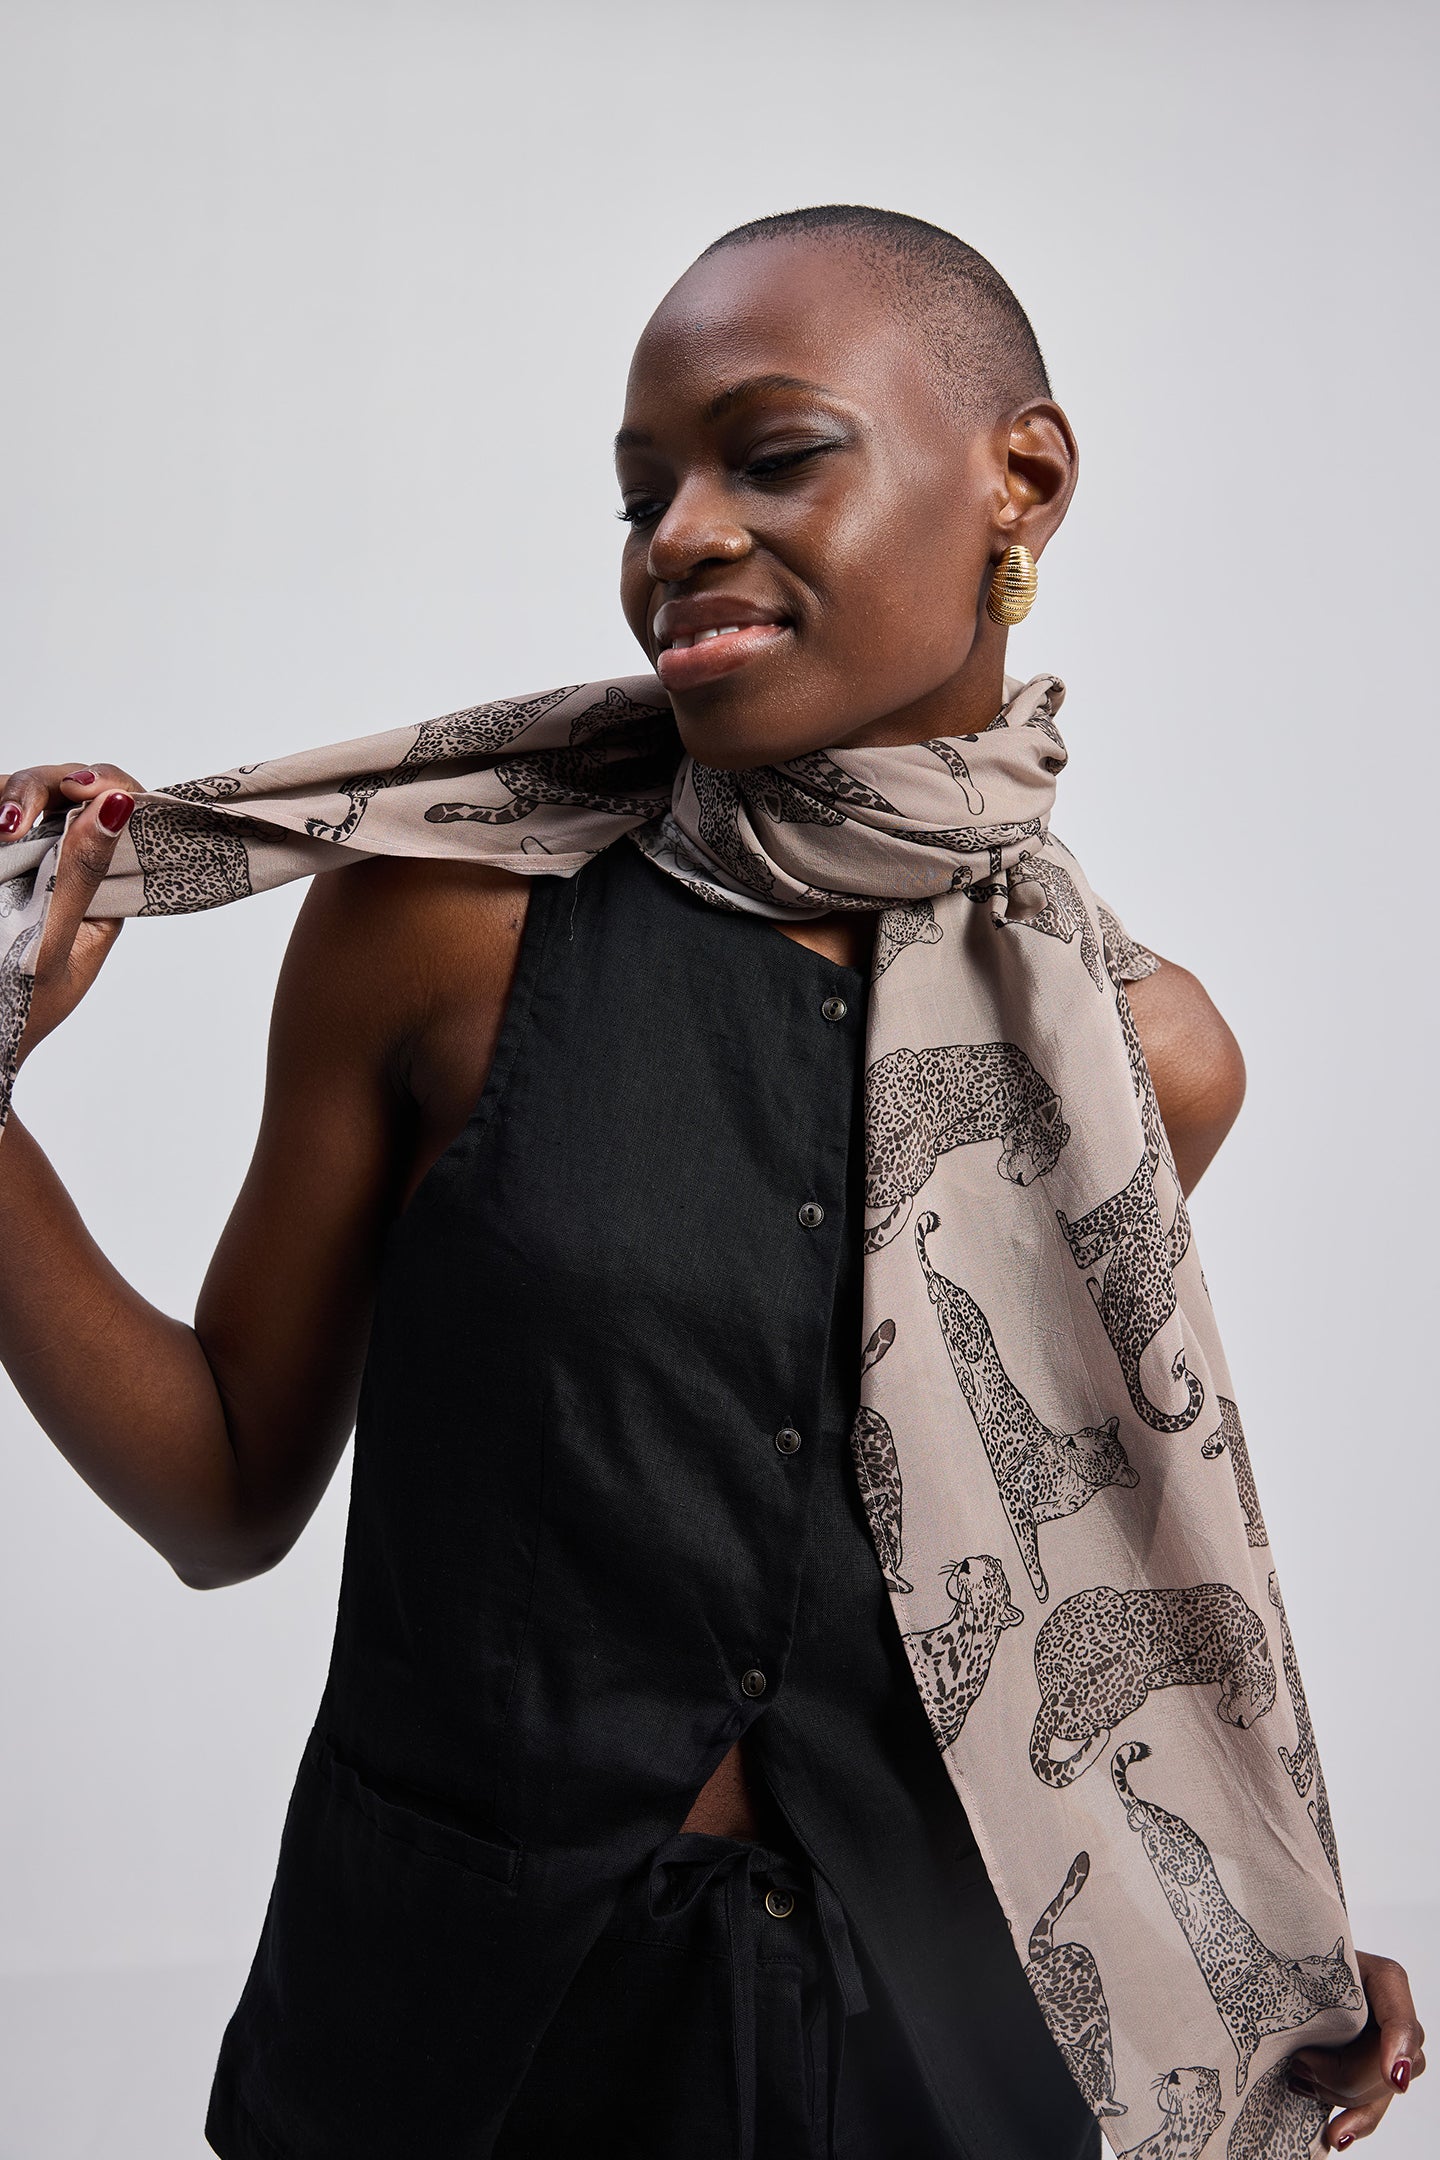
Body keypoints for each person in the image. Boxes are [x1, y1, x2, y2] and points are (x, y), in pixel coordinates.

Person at [0, 207, 1425, 2158]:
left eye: (773, 454)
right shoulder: (436, 934)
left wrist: (1248, 1937)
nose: (673, 536)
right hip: (460, 2059)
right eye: (640, 491)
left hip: (941, 2052)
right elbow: (225, 1484)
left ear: (1024, 478)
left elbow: (1068, 1602)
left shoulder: (1136, 1061)